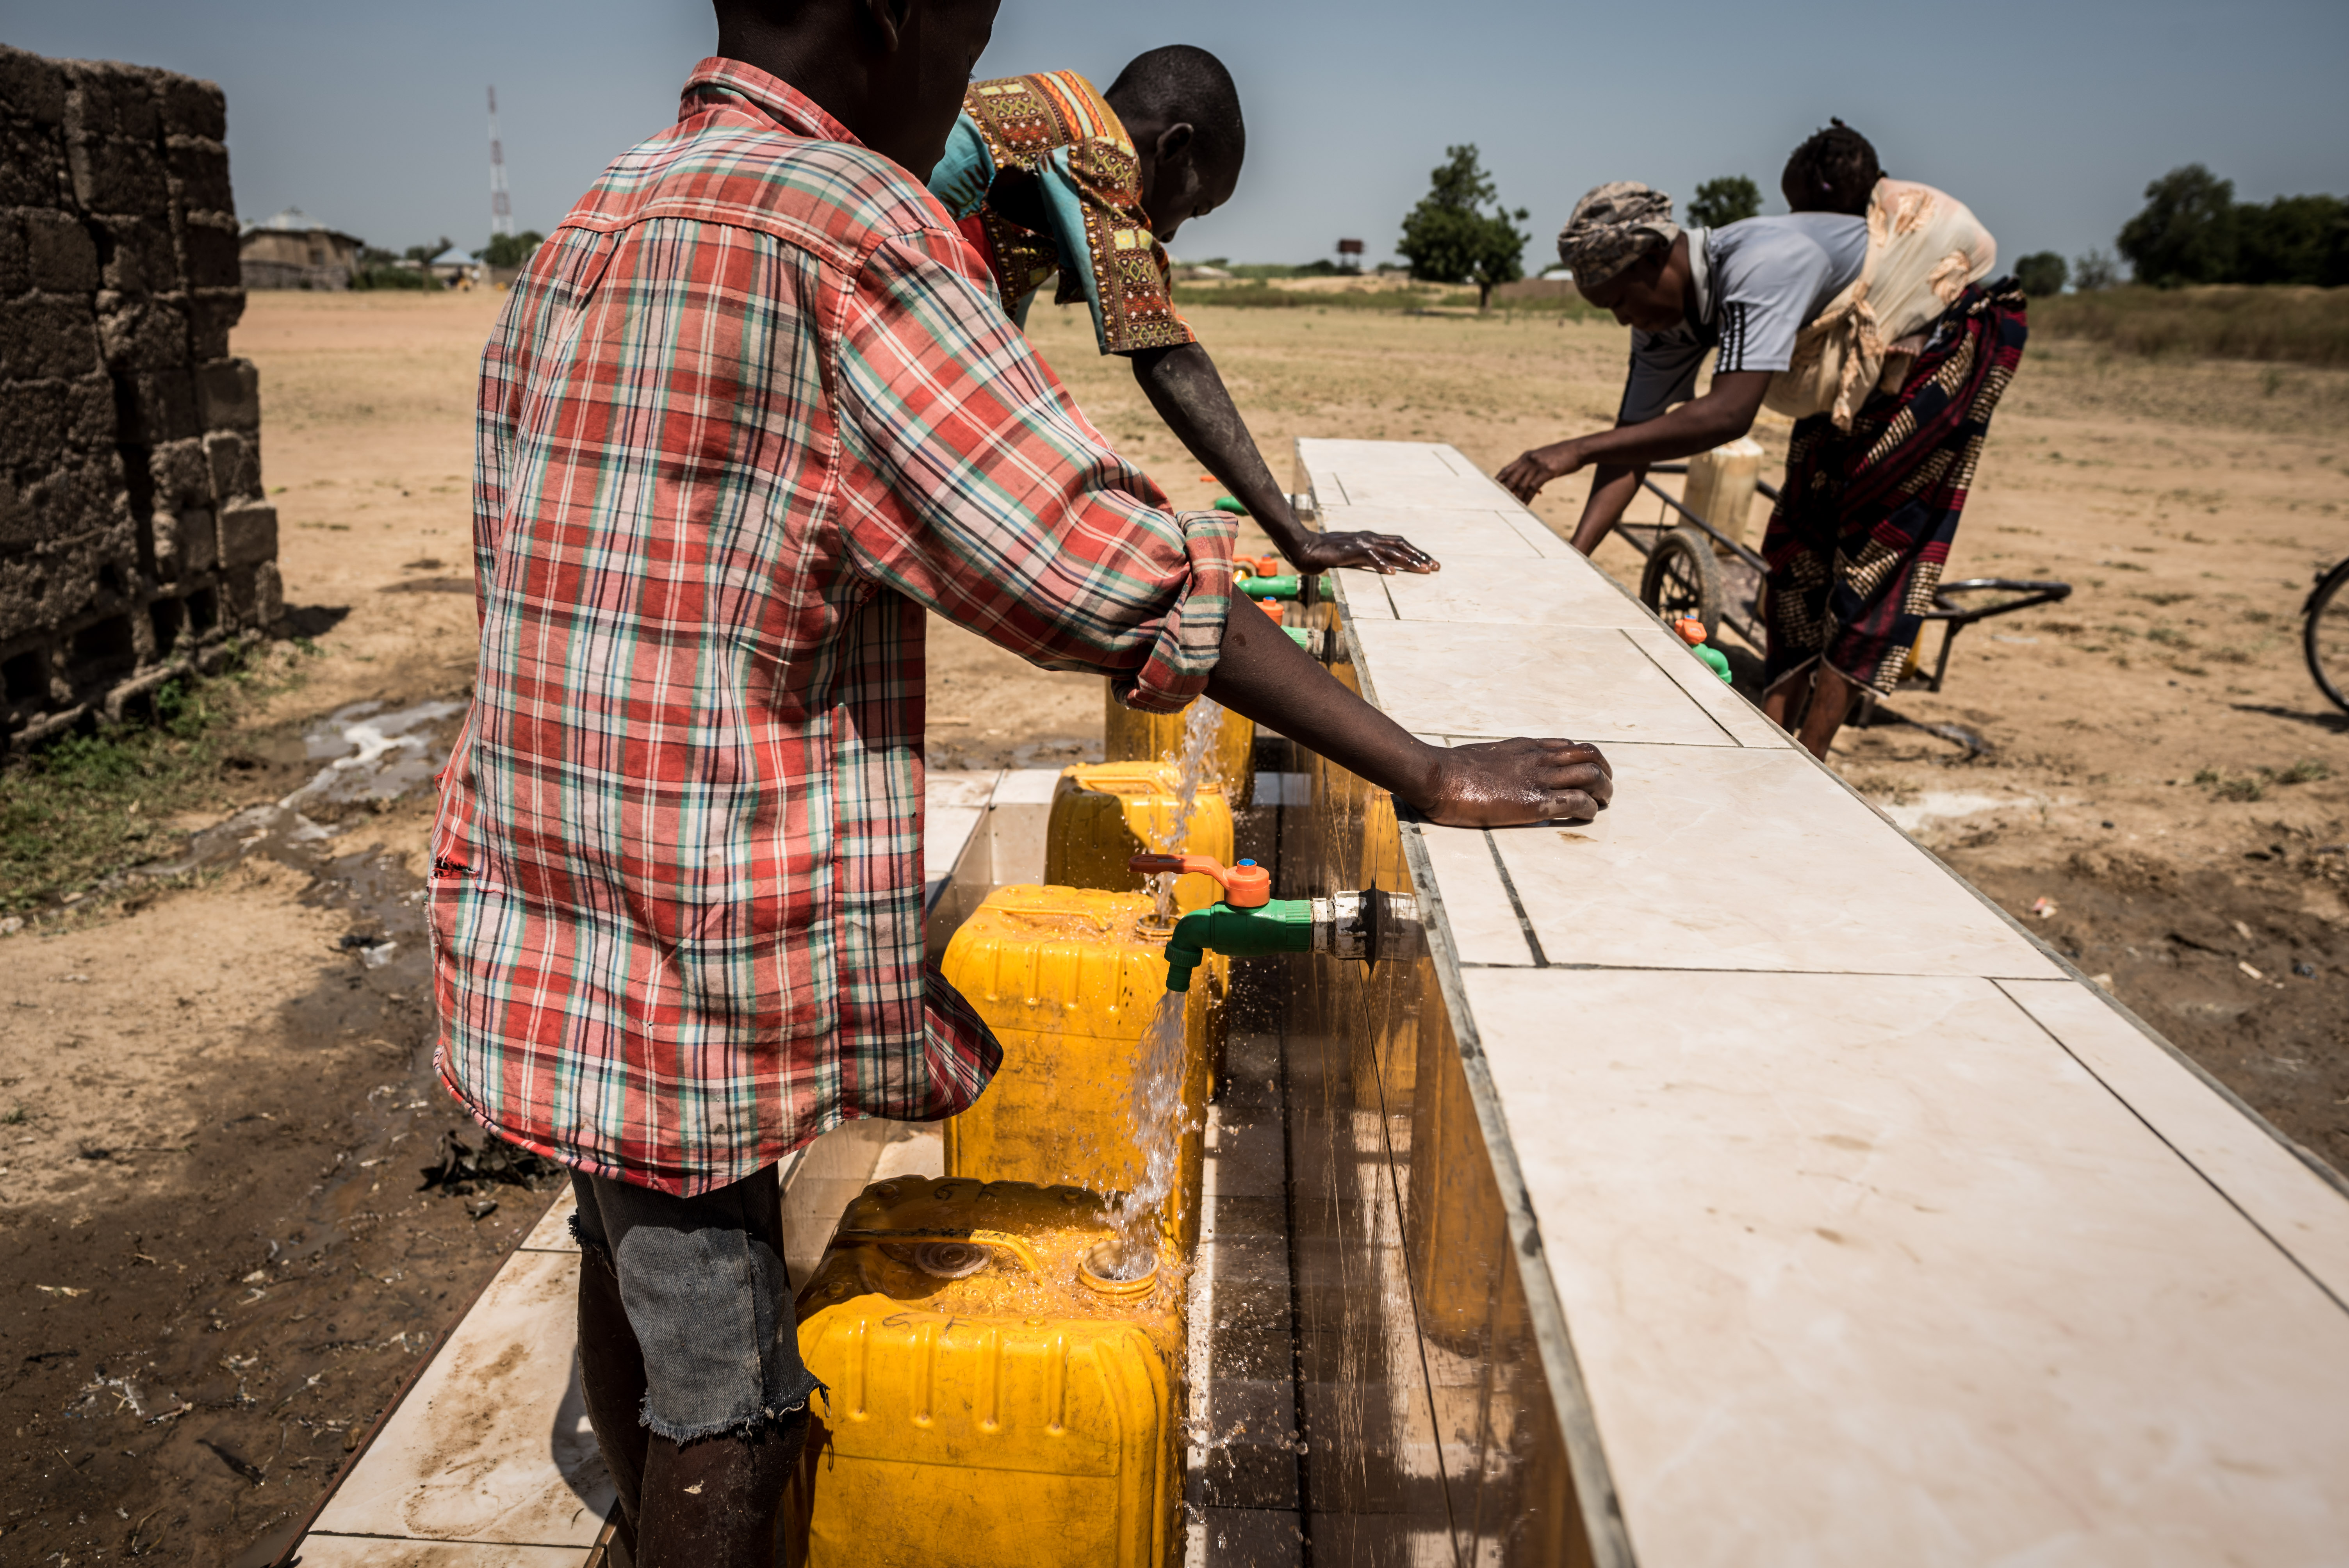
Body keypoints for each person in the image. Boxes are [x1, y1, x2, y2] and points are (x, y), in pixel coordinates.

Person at [429, 3, 1614, 1564]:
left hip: (544, 887)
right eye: (969, 24)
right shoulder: (857, 230)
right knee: (737, 1403)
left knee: (628, 1246)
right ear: (892, 17)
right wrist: (1422, 765)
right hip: (687, 929)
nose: (966, 77)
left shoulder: (606, 205)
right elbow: (1103, 569)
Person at [1497, 160, 2021, 760]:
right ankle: (1772, 737)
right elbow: (1635, 444)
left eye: (1619, 300)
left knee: (1873, 552)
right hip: (1847, 371)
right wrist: (1574, 558)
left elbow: (1729, 414)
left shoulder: (1760, 264)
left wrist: (1574, 449)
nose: (1621, 319)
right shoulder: (1664, 322)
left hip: (1937, 346)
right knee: (1797, 544)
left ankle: (1810, 758)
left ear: (1655, 257)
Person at [928, 48, 1436, 577]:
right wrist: (1299, 538)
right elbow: (1164, 355)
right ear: (1173, 146)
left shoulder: (1038, 143)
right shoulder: (1096, 148)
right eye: (1196, 207)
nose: (1170, 234)